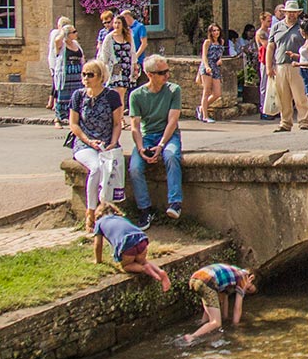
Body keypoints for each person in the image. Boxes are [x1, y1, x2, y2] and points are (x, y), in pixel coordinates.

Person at [125, 55, 184, 223]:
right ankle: (145, 209)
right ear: (150, 74)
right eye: (162, 72)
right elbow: (135, 126)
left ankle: (175, 202)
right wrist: (141, 147)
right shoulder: (136, 95)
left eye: (167, 71)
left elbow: (173, 121)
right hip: (147, 137)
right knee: (135, 168)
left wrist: (162, 145)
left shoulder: (174, 90)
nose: (167, 76)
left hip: (168, 135)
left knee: (171, 156)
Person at [68, 60, 124, 225]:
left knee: (110, 169)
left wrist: (113, 142)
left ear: (100, 77)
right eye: (84, 74)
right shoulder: (78, 95)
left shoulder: (111, 96)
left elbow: (117, 123)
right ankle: (91, 211)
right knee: (96, 168)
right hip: (84, 143)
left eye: (90, 75)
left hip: (106, 142)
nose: (86, 78)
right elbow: (74, 124)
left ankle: (107, 210)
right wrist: (88, 140)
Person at [182, 260, 258, 343]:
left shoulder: (233, 273)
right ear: (251, 278)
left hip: (195, 279)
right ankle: (191, 337)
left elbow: (223, 299)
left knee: (211, 308)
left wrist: (225, 318)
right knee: (216, 323)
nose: (245, 291)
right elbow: (237, 308)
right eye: (249, 289)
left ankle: (202, 325)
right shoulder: (244, 278)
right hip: (207, 281)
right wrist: (235, 327)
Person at [94, 211, 168, 286]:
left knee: (126, 266)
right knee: (142, 261)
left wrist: (98, 260)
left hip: (127, 243)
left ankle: (145, 269)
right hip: (141, 238)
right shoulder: (121, 218)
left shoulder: (99, 222)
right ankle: (160, 271)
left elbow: (98, 244)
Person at [267, 0, 308, 132]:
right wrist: (269, 66)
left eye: (294, 12)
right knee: (282, 97)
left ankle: (304, 122)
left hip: (297, 65)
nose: (291, 15)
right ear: (284, 13)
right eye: (289, 12)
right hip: (280, 65)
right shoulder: (276, 27)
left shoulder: (302, 27)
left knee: (300, 96)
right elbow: (270, 47)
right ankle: (285, 122)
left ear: (297, 13)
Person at [47, 18, 83, 126]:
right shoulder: (61, 45)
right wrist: (63, 31)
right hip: (65, 74)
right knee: (62, 96)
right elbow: (56, 41)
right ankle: (58, 119)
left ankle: (74, 118)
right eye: (73, 32)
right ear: (68, 34)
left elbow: (82, 57)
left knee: (76, 96)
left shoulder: (76, 44)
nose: (76, 33)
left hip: (76, 74)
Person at [194, 23, 225, 123]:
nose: (216, 33)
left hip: (216, 67)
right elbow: (204, 56)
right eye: (214, 31)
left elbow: (219, 54)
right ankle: (205, 116)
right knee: (206, 91)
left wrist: (220, 60)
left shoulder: (221, 42)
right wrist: (207, 66)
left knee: (217, 93)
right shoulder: (207, 42)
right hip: (207, 66)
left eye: (217, 30)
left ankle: (201, 108)